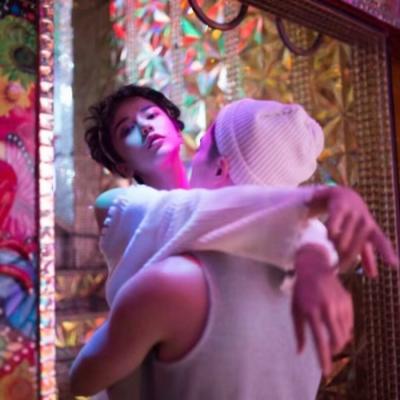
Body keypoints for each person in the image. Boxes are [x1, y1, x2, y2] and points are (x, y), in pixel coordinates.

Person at [70, 86, 397, 399]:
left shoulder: (224, 230)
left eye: (151, 114)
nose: (143, 126)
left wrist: (312, 244)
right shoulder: (120, 205)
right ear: (122, 165)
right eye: (127, 129)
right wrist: (315, 228)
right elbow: (194, 212)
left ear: (176, 128)